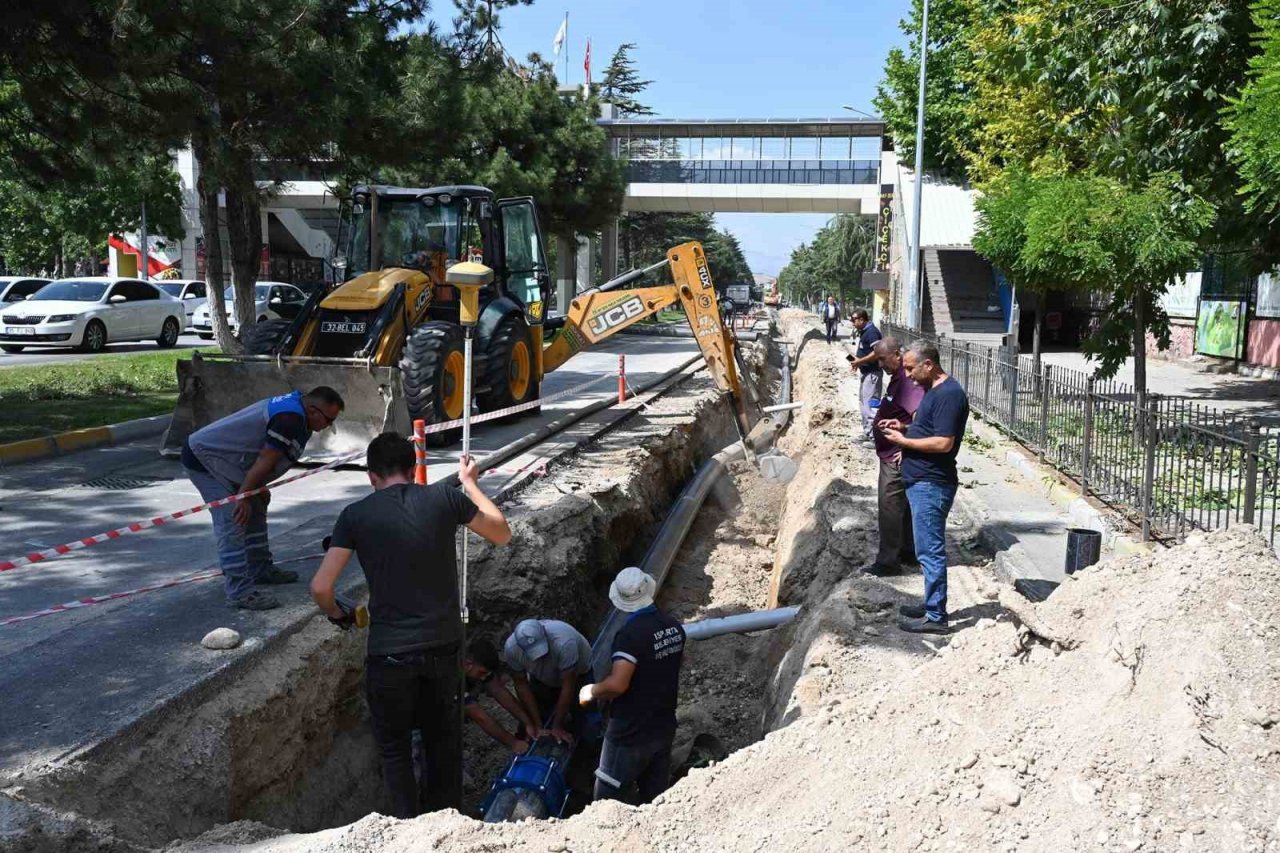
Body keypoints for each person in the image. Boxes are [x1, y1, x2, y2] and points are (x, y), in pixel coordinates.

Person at [309, 433, 512, 818]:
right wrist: (470, 482)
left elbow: (321, 587)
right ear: (413, 469)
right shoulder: (443, 498)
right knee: (443, 746)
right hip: (443, 650)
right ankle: (448, 827)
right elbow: (501, 533)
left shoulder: (355, 516)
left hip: (389, 656)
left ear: (371, 476)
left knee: (395, 750)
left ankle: (405, 829)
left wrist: (339, 615)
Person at [183, 386, 345, 610]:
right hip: (205, 460)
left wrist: (255, 490)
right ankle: (239, 592)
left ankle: (260, 569)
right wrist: (244, 495)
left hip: (231, 462)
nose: (328, 426)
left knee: (257, 503)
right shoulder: (289, 418)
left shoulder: (299, 412)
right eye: (328, 420)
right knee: (234, 518)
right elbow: (266, 458)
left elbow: (266, 454)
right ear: (313, 410)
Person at [879, 342, 970, 635]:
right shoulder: (934, 391)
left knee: (930, 551)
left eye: (910, 368)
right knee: (923, 549)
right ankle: (931, 603)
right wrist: (905, 428)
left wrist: (904, 443)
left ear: (928, 364)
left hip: (932, 483)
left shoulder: (950, 395)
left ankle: (936, 616)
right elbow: (926, 425)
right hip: (920, 481)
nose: (907, 374)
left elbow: (943, 442)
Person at [579, 567, 687, 805]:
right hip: (663, 724)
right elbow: (673, 665)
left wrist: (591, 690)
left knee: (606, 801)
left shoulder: (629, 636)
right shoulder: (673, 627)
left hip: (630, 732)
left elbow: (618, 685)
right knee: (655, 795)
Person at [861, 336, 926, 578]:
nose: (880, 365)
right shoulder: (899, 378)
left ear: (897, 354)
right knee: (904, 507)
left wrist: (907, 446)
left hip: (895, 456)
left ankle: (888, 562)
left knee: (890, 506)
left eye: (882, 359)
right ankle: (908, 552)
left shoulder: (908, 383)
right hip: (891, 452)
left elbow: (919, 415)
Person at [503, 618, 592, 744]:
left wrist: (557, 726)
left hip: (579, 674)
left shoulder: (564, 642)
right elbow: (522, 685)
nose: (540, 657)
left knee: (586, 720)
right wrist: (538, 726)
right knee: (531, 724)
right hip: (542, 678)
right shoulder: (511, 649)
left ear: (545, 634)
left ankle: (589, 748)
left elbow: (568, 686)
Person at [464, 638, 539, 754]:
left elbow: (498, 691)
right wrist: (513, 743)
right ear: (468, 664)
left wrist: (527, 722)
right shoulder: (451, 678)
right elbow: (479, 715)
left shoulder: (475, 667)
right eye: (482, 672)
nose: (483, 677)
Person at [847, 309, 884, 441]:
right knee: (864, 404)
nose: (852, 323)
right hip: (866, 373)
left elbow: (877, 352)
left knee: (871, 405)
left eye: (854, 320)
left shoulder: (872, 332)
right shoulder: (865, 332)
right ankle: (867, 432)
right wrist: (857, 364)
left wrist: (860, 361)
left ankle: (875, 437)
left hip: (873, 374)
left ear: (862, 319)